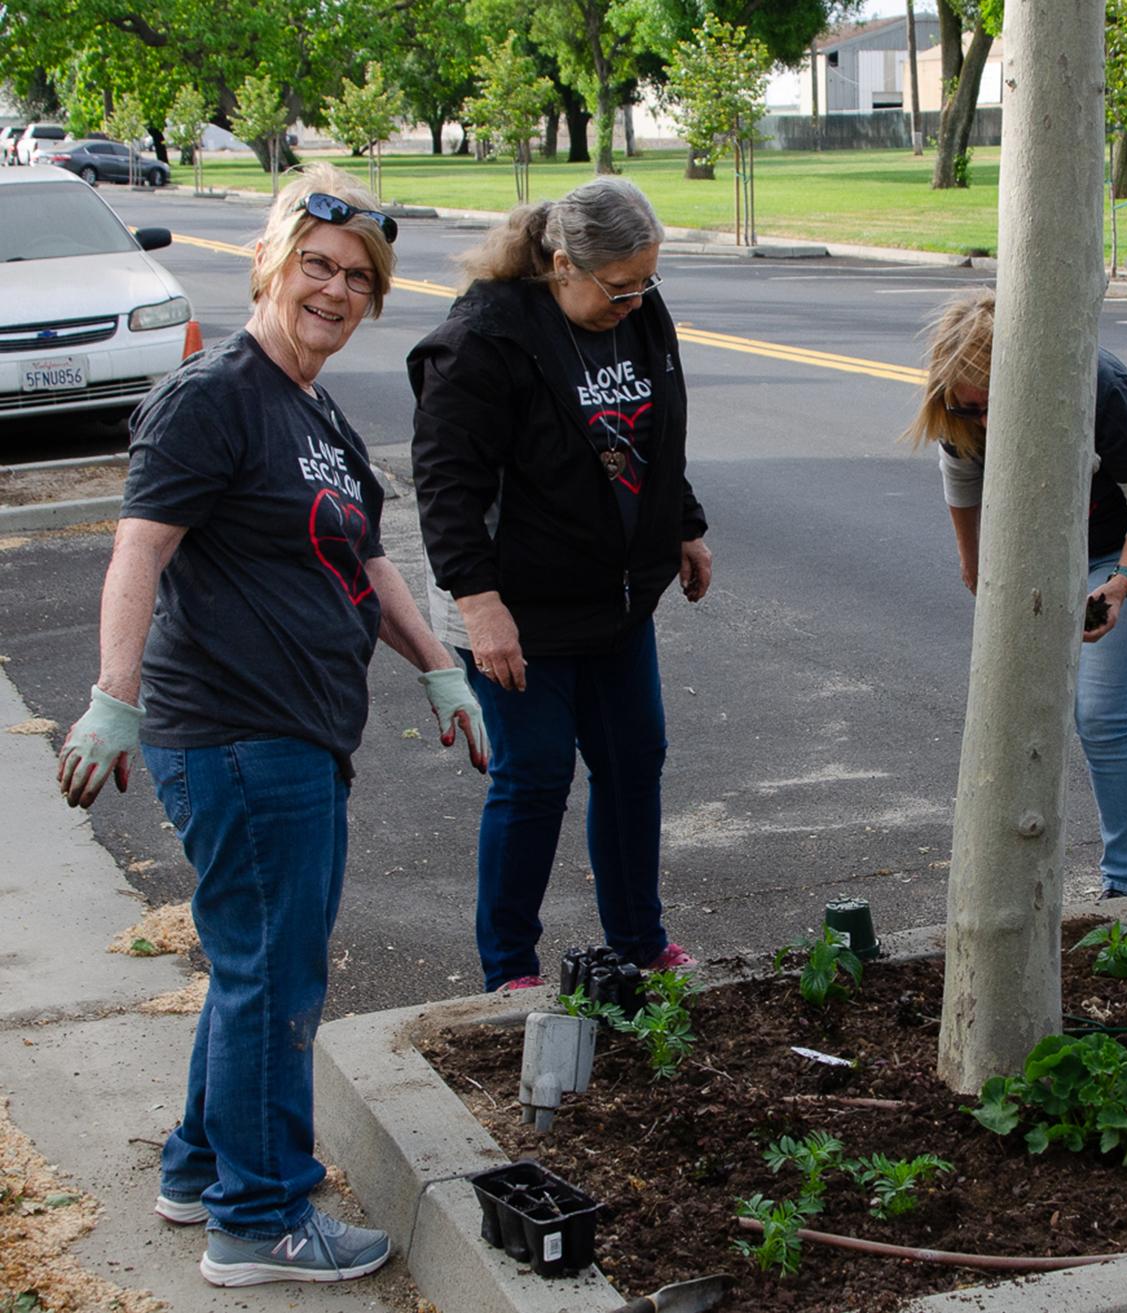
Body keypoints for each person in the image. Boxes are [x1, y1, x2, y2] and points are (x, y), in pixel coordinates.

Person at [53, 165, 488, 1286]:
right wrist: (115, 693)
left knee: (256, 963)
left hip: (294, 732)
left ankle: (203, 1164)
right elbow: (139, 547)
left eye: (358, 278)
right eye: (319, 266)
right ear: (271, 261)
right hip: (238, 734)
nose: (337, 291)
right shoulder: (216, 396)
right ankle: (259, 1218)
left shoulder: (311, 408)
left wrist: (440, 669)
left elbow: (368, 557)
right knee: (276, 976)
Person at [409, 178, 712, 993]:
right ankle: (510, 969)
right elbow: (445, 489)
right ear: (560, 262)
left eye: (649, 281)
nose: (637, 300)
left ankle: (641, 942)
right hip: (514, 607)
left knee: (633, 759)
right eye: (620, 286)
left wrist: (682, 519)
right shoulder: (482, 341)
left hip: (614, 598)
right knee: (535, 775)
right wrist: (479, 605)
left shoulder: (638, 311)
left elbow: (658, 427)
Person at [906, 288, 1127, 899]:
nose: (982, 422)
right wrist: (976, 568)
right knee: (1019, 707)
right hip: (1048, 540)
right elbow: (960, 478)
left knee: (1102, 714)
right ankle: (1013, 879)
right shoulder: (957, 408)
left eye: (993, 405)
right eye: (970, 409)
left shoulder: (1098, 387)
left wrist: (1120, 584)